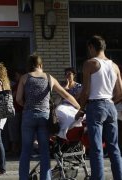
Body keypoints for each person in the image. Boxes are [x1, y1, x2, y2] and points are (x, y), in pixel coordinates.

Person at [16, 54, 80, 180]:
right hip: (45, 117)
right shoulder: (50, 78)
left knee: (26, 151)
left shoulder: (24, 78)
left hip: (28, 115)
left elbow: (18, 99)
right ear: (41, 65)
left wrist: (27, 105)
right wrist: (78, 107)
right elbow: (66, 95)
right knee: (44, 151)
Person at [75, 35, 122, 180]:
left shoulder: (90, 64)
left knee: (96, 149)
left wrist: (81, 108)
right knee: (114, 148)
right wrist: (110, 103)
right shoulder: (114, 66)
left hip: (95, 106)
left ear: (91, 47)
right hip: (110, 106)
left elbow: (86, 91)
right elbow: (120, 92)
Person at [55, 67, 82, 139]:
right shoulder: (62, 86)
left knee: (70, 116)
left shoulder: (79, 87)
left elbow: (75, 100)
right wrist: (65, 87)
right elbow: (57, 101)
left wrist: (66, 95)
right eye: (66, 74)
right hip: (62, 106)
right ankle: (64, 133)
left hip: (73, 106)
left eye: (69, 74)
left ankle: (67, 132)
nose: (67, 76)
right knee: (59, 111)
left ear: (74, 75)